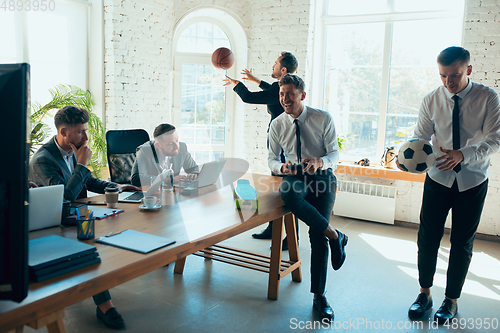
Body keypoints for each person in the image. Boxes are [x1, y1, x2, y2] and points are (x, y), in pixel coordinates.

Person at [403, 46, 500, 324]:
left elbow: (495, 139)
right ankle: (424, 294)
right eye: (443, 76)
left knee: (462, 242)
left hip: (472, 180)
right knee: (427, 238)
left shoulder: (488, 98)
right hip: (437, 178)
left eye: (455, 75)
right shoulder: (431, 100)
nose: (449, 82)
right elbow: (420, 137)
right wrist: (406, 157)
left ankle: (451, 300)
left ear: (468, 70)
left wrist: (463, 154)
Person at [29, 106, 140, 330]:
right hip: (53, 223)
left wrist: (116, 186)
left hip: (75, 216)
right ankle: (105, 305)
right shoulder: (43, 160)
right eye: (81, 131)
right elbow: (64, 197)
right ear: (63, 131)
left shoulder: (71, 150)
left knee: (118, 224)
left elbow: (89, 181)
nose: (86, 137)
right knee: (91, 244)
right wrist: (81, 164)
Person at [269, 74, 348, 320]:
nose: (285, 99)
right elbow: (271, 158)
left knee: (316, 236)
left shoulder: (322, 118)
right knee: (289, 196)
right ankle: (335, 235)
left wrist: (320, 161)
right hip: (295, 176)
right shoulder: (277, 124)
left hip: (323, 176)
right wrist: (281, 168)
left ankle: (319, 296)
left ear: (302, 95)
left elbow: (335, 155)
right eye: (282, 94)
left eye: (290, 94)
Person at [224, 51, 299, 247]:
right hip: (282, 139)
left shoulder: (280, 89)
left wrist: (237, 85)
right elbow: (272, 90)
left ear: (283, 69)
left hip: (282, 141)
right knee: (280, 188)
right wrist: (255, 80)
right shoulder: (286, 86)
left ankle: (291, 238)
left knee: (284, 188)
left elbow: (249, 97)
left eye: (275, 64)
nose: (272, 66)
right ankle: (274, 230)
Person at [131, 123, 199, 187]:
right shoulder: (144, 151)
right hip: (152, 194)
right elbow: (136, 179)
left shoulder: (182, 147)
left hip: (173, 192)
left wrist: (193, 175)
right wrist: (168, 180)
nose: (176, 146)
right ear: (158, 145)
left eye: (177, 140)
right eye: (170, 143)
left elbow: (194, 169)